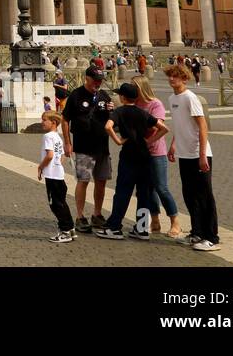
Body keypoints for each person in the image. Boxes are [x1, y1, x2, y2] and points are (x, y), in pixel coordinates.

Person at [94, 83, 166, 241]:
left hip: (129, 156)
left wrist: (118, 141)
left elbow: (108, 126)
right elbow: (164, 128)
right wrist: (149, 141)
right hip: (145, 157)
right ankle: (141, 229)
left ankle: (114, 227)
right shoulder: (143, 112)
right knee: (144, 194)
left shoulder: (120, 111)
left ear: (122, 97)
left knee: (123, 192)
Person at [166, 64, 220, 251]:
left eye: (175, 76)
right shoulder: (172, 98)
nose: (172, 79)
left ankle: (211, 236)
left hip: (199, 154)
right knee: (189, 195)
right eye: (170, 76)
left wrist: (203, 154)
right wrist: (173, 144)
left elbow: (202, 126)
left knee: (205, 196)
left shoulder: (190, 98)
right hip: (184, 154)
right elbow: (180, 124)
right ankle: (197, 232)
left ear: (184, 79)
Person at [61, 66, 114, 233]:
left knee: (101, 181)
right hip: (83, 146)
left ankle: (97, 214)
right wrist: (67, 143)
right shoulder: (76, 95)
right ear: (87, 78)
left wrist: (112, 112)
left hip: (102, 147)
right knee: (83, 181)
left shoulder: (104, 96)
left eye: (100, 81)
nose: (97, 84)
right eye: (95, 80)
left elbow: (112, 121)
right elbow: (65, 120)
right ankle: (80, 216)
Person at [132, 75, 181, 239]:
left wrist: (146, 141)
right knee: (146, 190)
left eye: (134, 87)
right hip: (140, 154)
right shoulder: (135, 104)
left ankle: (175, 222)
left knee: (161, 188)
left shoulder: (155, 104)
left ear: (141, 87)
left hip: (156, 152)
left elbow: (157, 128)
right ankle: (155, 220)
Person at [37, 110, 74, 243]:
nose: (42, 122)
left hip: (52, 176)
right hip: (59, 175)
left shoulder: (48, 137)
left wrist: (41, 167)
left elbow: (50, 155)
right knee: (62, 203)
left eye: (44, 120)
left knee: (56, 205)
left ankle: (64, 231)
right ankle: (70, 228)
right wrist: (58, 164)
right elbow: (63, 154)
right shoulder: (58, 137)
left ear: (53, 122)